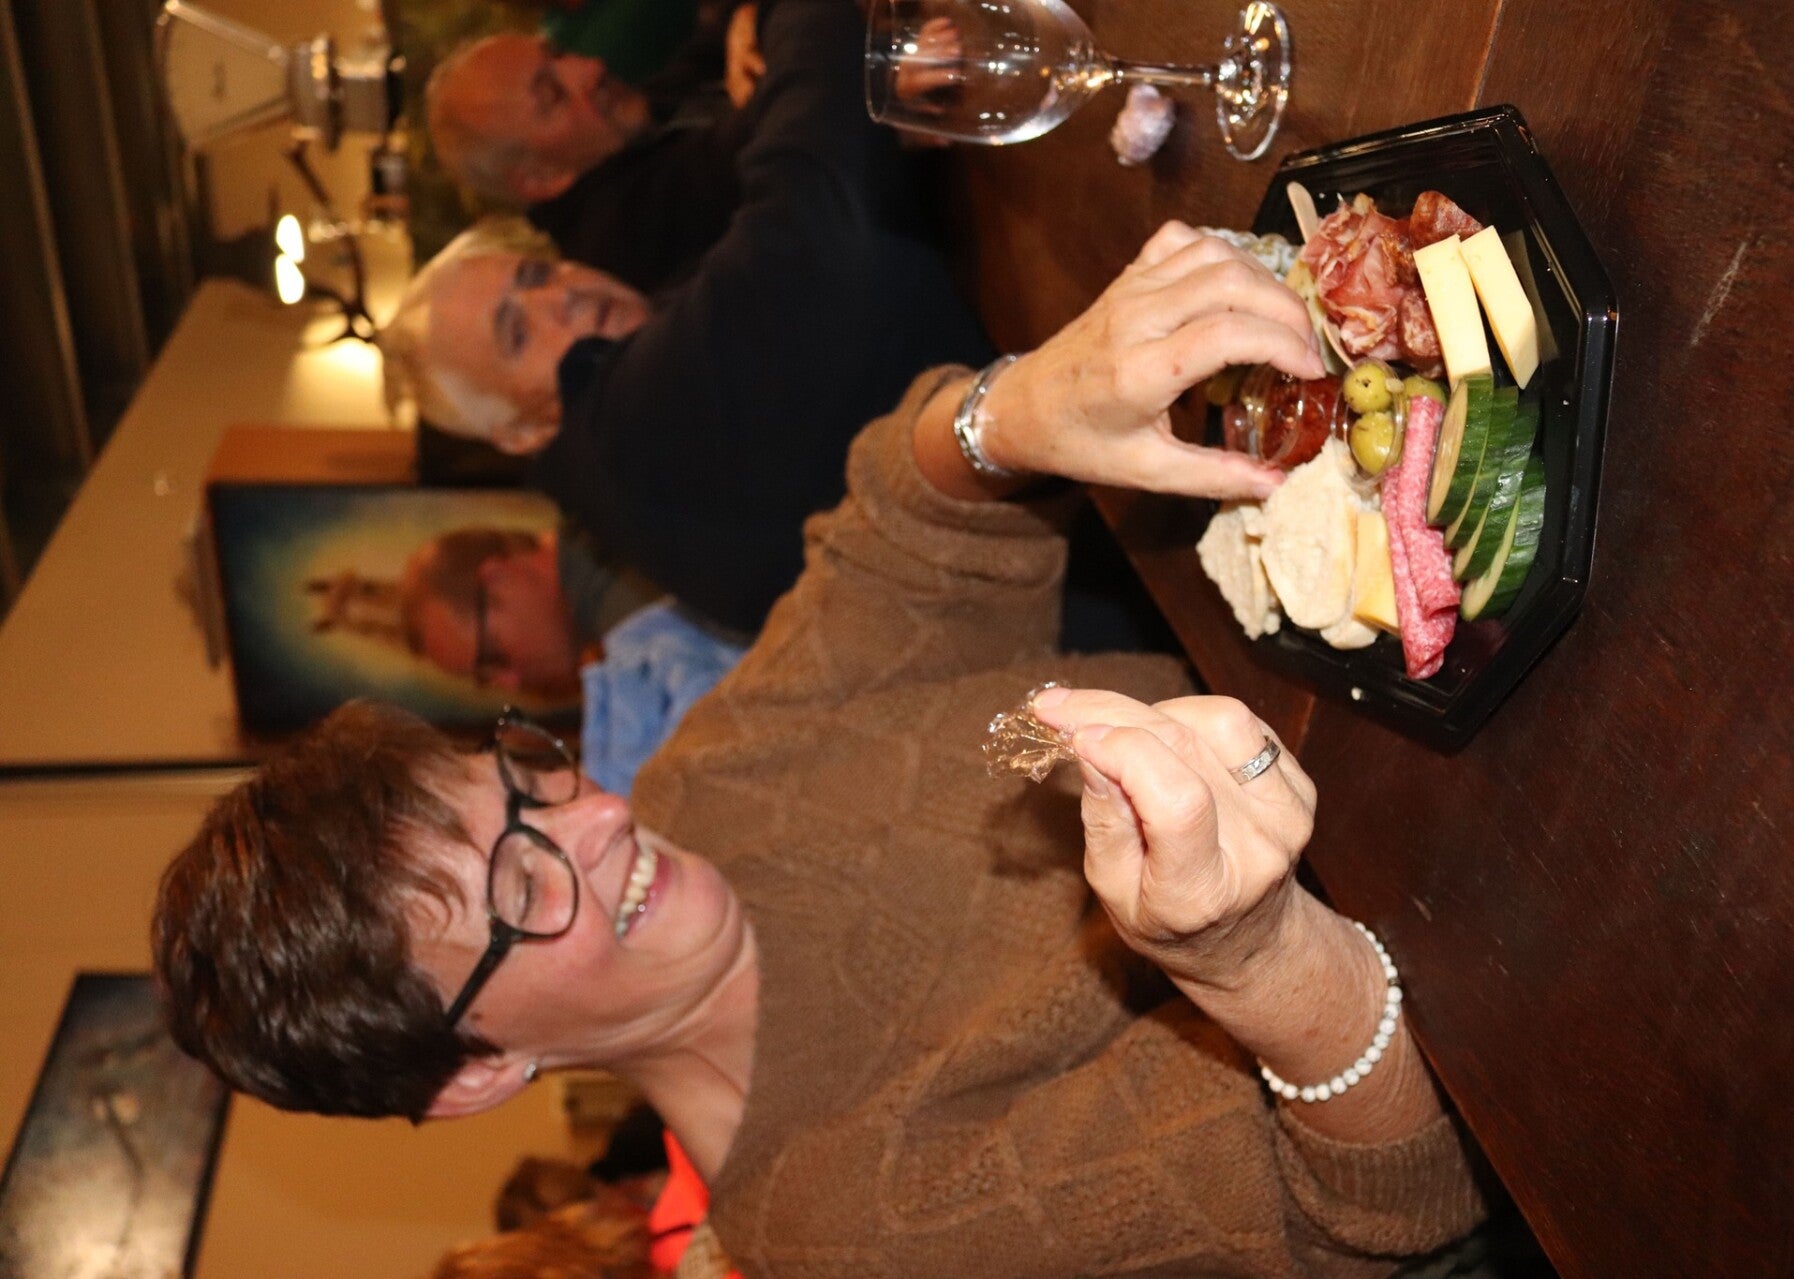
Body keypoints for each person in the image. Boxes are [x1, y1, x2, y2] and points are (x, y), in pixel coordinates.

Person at [154, 224, 1485, 1276]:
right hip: (1509, 986)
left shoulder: (703, 782)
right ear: (476, 1071)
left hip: (1431, 725)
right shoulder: (845, 1218)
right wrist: (1250, 957)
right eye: (520, 885)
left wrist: (1012, 412)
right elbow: (1393, 1204)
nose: (600, 819)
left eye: (525, 783)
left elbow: (894, 531)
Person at [390, 0, 996, 637]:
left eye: (537, 276)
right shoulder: (630, 430)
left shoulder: (613, 418)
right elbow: (807, 201)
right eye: (516, 335)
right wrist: (805, 34)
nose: (559, 300)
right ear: (519, 433)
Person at [400, 525, 747, 794]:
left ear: (498, 577)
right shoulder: (605, 553)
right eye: (487, 681)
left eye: (493, 657)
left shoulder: (627, 600)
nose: (512, 682)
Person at [426, 17, 752, 294]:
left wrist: (745, 19)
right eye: (554, 95)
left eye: (559, 53)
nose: (591, 67)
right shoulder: (622, 233)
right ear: (542, 178)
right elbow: (768, 127)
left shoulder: (630, 126)